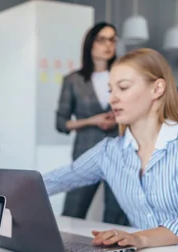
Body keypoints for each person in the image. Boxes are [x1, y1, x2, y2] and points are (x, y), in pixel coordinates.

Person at [44, 48, 178, 249]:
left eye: (123, 87)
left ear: (157, 88)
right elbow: (59, 178)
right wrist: (7, 191)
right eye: (111, 90)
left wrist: (140, 238)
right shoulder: (109, 151)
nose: (112, 99)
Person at [55, 22, 129, 226]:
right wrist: (92, 120)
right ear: (90, 43)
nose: (108, 44)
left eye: (112, 39)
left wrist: (119, 117)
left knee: (117, 214)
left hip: (120, 152)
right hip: (85, 152)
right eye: (101, 39)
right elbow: (61, 123)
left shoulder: (124, 78)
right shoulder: (73, 80)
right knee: (73, 210)